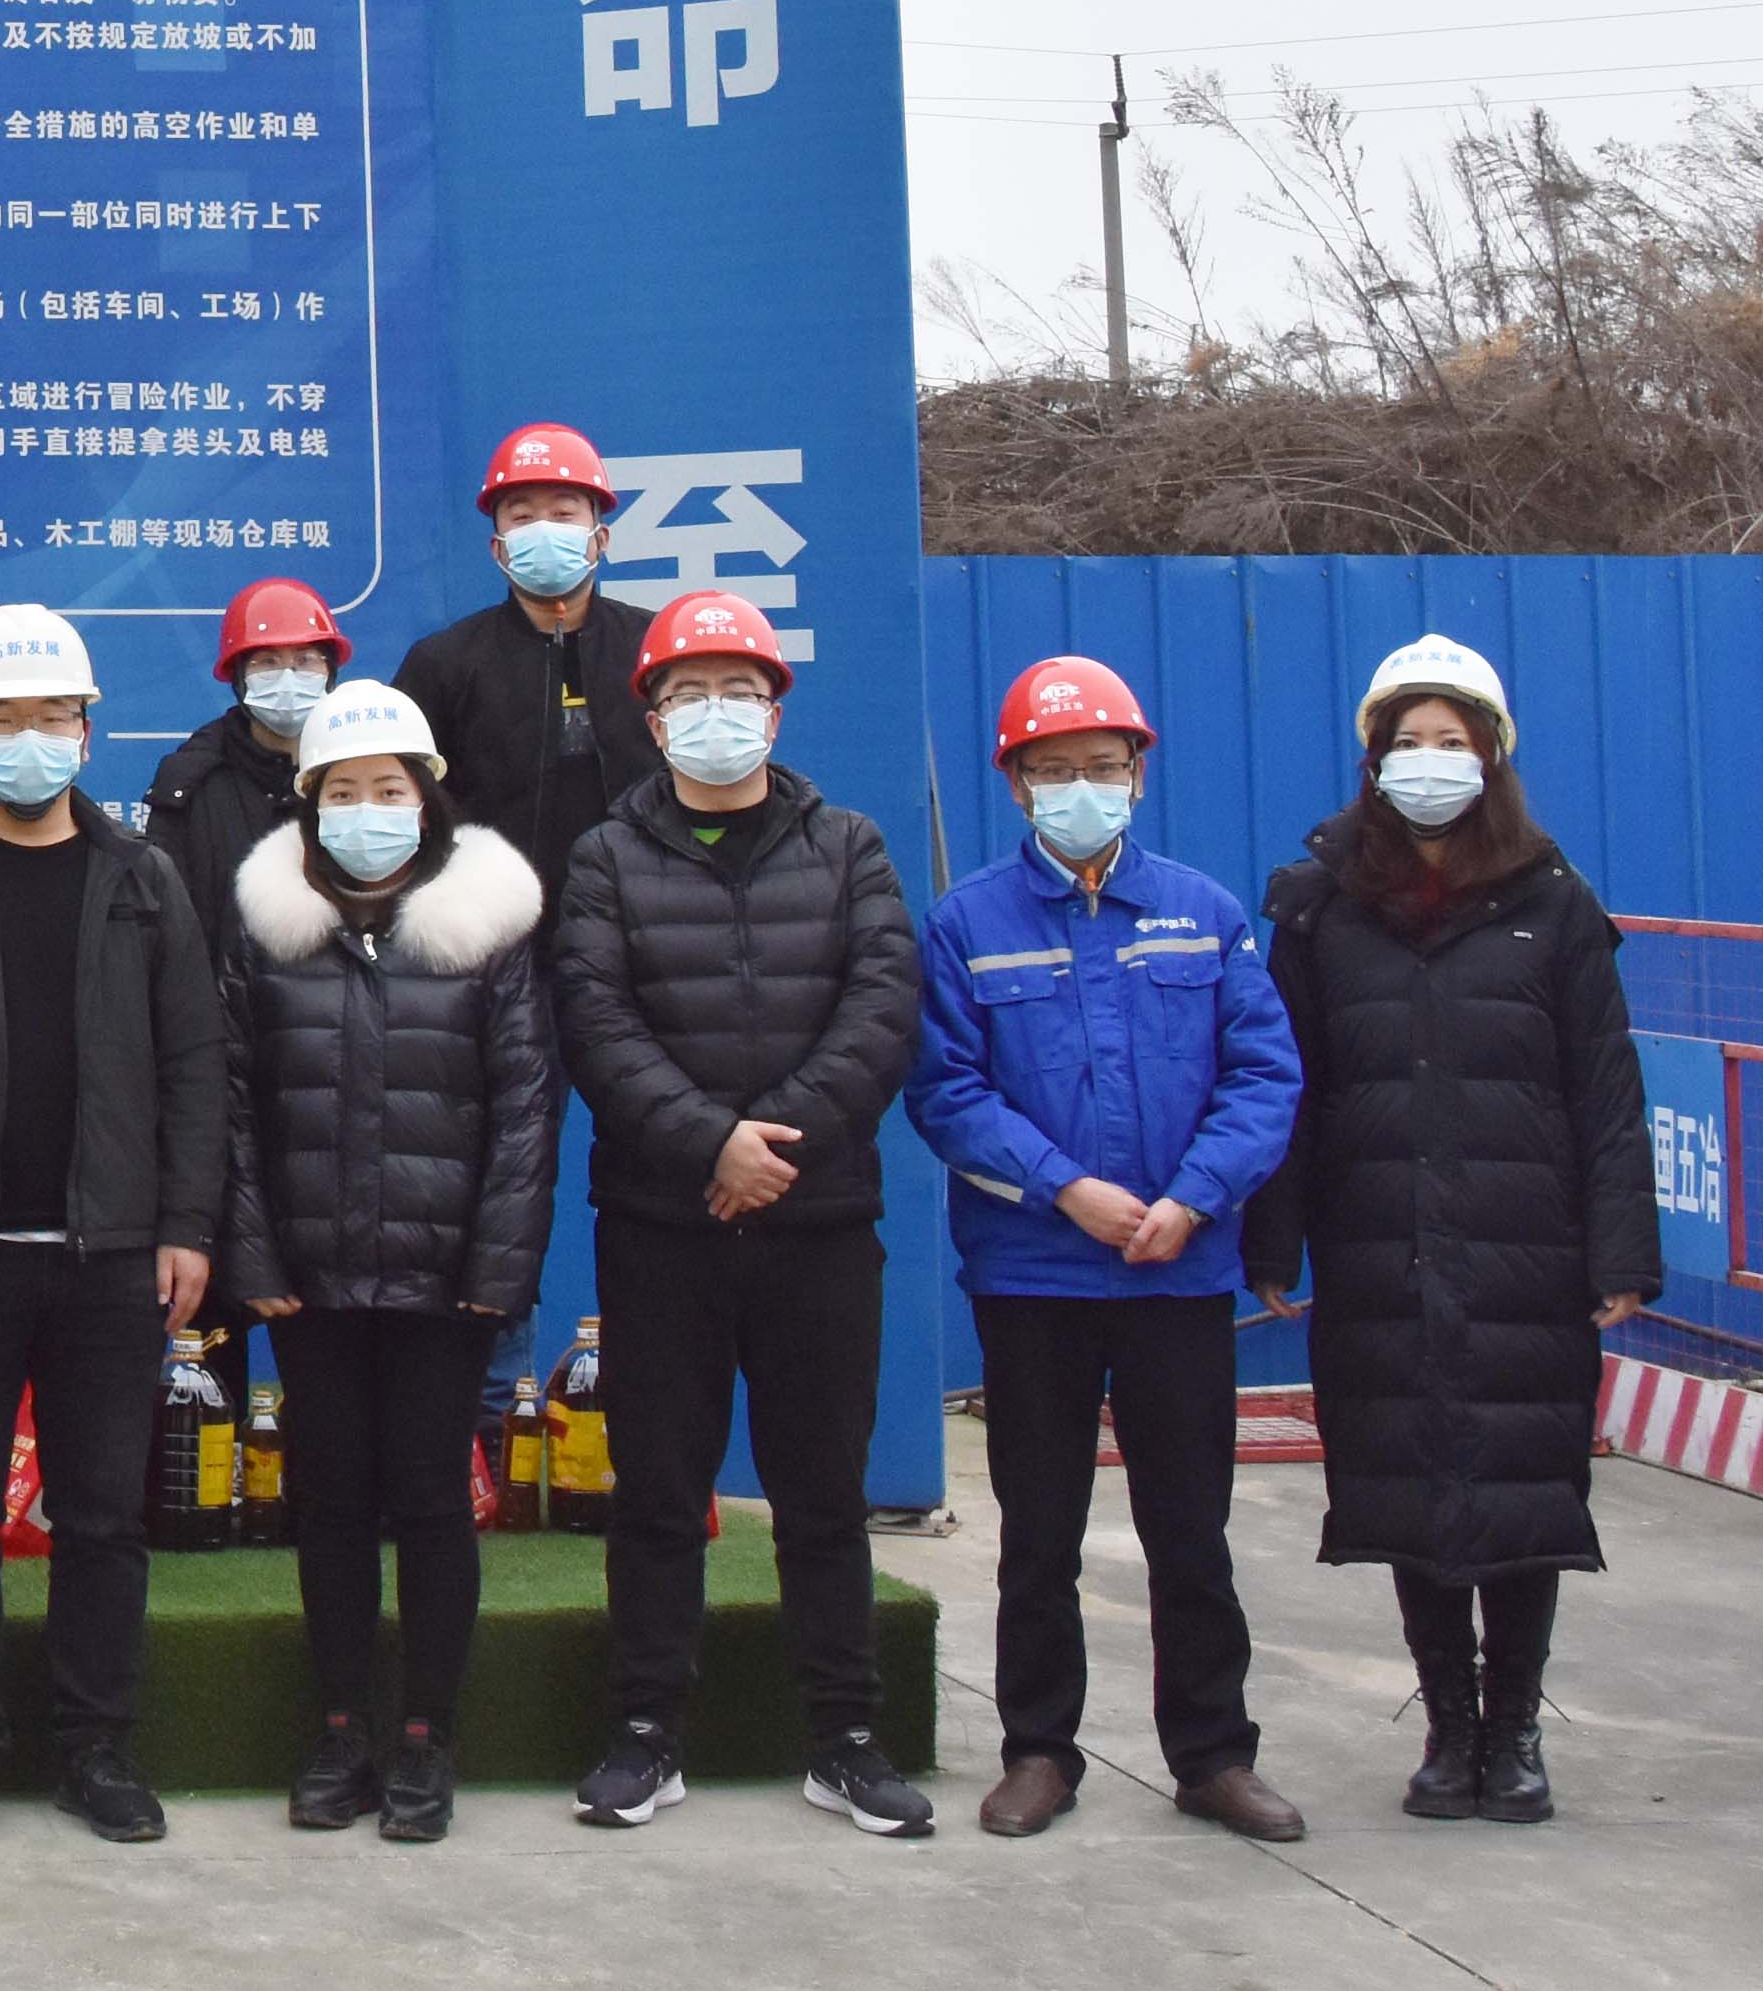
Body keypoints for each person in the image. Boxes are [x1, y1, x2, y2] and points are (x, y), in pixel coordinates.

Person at [1247, 633, 1656, 1825]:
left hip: (1524, 1244)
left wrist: (1620, 1248)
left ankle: (1512, 1727)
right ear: (1372, 760)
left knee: (1522, 1481)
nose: (1427, 761)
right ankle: (1445, 1726)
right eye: (1406, 741)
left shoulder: (1553, 904)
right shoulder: (1318, 907)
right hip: (1379, 1240)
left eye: (1451, 740)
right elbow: (1287, 1083)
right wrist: (1272, 1237)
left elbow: (1604, 1088)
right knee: (1405, 1477)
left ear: (1490, 757)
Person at [547, 587, 931, 1839]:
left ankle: (844, 1736)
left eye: (738, 691)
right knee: (658, 1493)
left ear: (775, 708)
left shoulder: (849, 845)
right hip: (660, 1226)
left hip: (819, 1222)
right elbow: (594, 1020)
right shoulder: (603, 857)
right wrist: (708, 1141)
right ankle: (645, 1729)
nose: (714, 712)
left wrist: (770, 1145)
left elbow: (881, 1006)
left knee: (822, 1492)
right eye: (687, 693)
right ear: (650, 717)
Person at [908, 654, 1306, 1845]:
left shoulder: (1203, 912)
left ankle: (1212, 1754)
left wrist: (1192, 1197)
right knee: (1037, 1532)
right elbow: (944, 1090)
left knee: (1190, 1529)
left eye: (1099, 764)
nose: (1077, 785)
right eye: (1051, 768)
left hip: (1177, 1271)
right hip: (1032, 1273)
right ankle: (1038, 1749)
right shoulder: (965, 922)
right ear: (1014, 782)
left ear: (1136, 772)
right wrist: (1064, 1188)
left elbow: (1262, 1075)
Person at [0, 601, 222, 1846]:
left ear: (85, 728)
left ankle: (95, 1746)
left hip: (110, 1255)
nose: (26, 738)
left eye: (48, 716)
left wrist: (184, 1222)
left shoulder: (142, 878)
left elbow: (192, 1062)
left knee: (103, 1514)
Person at [220, 680, 555, 1845]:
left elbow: (525, 1110)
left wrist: (494, 1269)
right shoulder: (265, 930)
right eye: (344, 791)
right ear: (309, 803)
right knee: (328, 1503)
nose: (367, 810)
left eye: (388, 788)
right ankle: (338, 1728)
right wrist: (252, 1251)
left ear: (426, 798)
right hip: (306, 1277)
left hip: (440, 1280)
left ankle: (423, 1734)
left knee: (427, 1500)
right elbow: (229, 1106)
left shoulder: (486, 929)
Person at [395, 422, 659, 921]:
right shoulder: (442, 663)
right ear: (498, 548)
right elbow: (407, 801)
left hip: (645, 918)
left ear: (600, 538)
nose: (544, 530)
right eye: (522, 517)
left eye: (563, 514)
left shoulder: (654, 648)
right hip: (492, 925)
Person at [143, 577, 347, 965]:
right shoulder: (191, 784)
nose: (288, 679)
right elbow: (168, 933)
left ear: (330, 672)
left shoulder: (363, 767)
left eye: (306, 660)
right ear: (238, 677)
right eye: (267, 662)